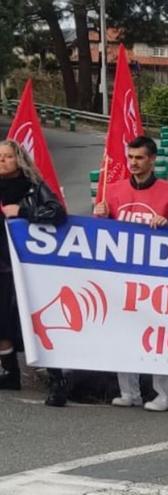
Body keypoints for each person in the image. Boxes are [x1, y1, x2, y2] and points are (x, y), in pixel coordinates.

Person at [94, 135, 168, 412]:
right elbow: (101, 236)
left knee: (160, 335)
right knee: (123, 331)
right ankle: (129, 391)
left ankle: (164, 394)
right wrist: (100, 215)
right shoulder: (111, 192)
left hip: (159, 279)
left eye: (139, 158)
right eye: (130, 157)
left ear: (152, 160)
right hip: (122, 277)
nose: (133, 163)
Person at [0, 140, 67, 405]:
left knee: (40, 322)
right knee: (2, 320)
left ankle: (57, 380)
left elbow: (57, 212)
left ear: (19, 159)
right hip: (2, 265)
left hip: (30, 266)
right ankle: (9, 372)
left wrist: (23, 212)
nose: (2, 160)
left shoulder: (34, 188)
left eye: (7, 156)